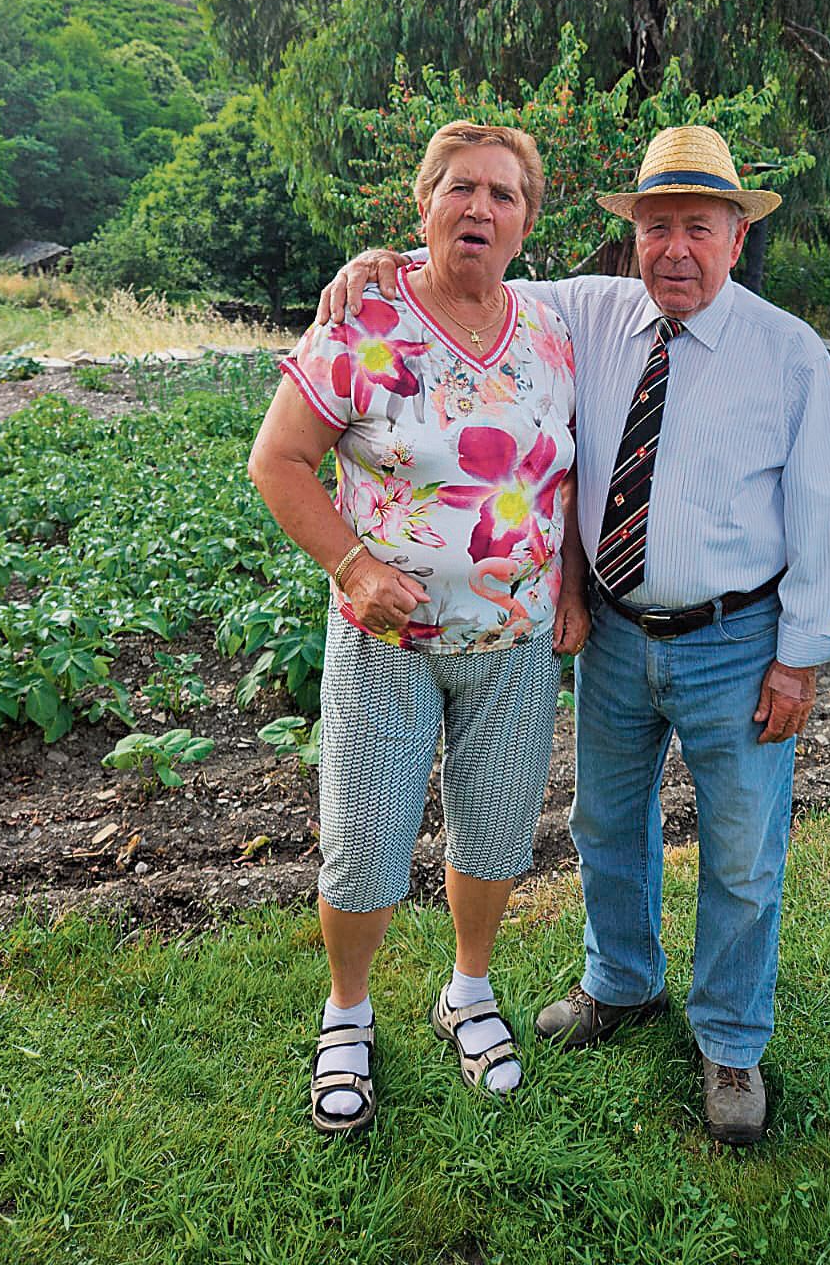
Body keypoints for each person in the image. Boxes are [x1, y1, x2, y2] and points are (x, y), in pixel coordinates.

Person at [319, 123, 830, 1145]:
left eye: (700, 227)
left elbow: (823, 511)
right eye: (657, 227)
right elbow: (471, 270)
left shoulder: (789, 355)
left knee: (741, 853)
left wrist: (798, 655)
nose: (676, 250)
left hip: (737, 643)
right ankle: (622, 982)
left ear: (738, 237)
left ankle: (731, 1038)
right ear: (632, 238)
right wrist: (377, 265)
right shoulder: (586, 312)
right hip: (610, 630)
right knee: (608, 824)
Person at [250, 121, 587, 1136]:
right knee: (363, 839)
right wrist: (353, 563)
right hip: (385, 642)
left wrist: (565, 583)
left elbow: (560, 471)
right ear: (424, 203)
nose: (480, 208)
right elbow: (277, 461)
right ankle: (346, 1012)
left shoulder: (551, 331)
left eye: (503, 194)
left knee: (493, 833)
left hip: (517, 640)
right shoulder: (365, 318)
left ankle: (468, 991)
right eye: (460, 189)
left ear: (528, 221)